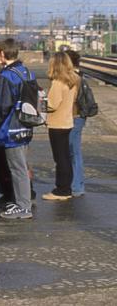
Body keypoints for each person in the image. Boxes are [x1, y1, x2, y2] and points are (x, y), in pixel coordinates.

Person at [0, 38, 35, 220]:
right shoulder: (26, 72)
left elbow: (3, 105)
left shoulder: (7, 75)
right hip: (25, 125)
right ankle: (22, 202)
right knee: (21, 167)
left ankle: (24, 207)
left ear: (3, 53)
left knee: (17, 169)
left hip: (11, 129)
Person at [43, 52, 79, 200]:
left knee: (60, 158)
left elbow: (52, 105)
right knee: (65, 157)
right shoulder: (72, 81)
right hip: (67, 122)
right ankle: (66, 188)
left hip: (57, 124)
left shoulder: (58, 83)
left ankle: (61, 190)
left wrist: (42, 101)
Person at [66, 50, 88, 197]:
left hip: (74, 116)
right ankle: (76, 184)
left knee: (73, 152)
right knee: (74, 152)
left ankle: (77, 186)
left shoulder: (73, 78)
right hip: (79, 116)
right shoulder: (80, 76)